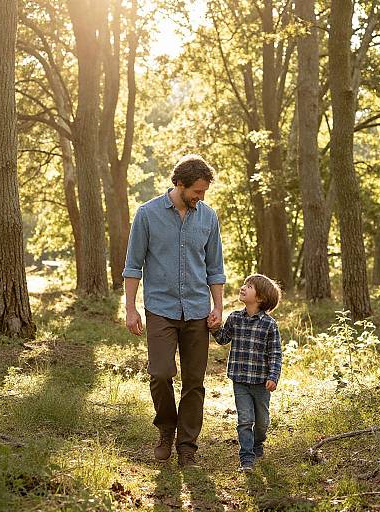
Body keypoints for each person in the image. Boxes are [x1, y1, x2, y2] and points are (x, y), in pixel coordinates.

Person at [122, 154, 226, 467]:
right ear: (178, 184)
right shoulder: (147, 214)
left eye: (204, 192)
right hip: (161, 309)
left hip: (197, 310)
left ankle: (187, 448)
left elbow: (215, 268)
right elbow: (132, 266)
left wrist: (218, 306)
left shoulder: (208, 217)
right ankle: (166, 430)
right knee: (160, 373)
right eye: (196, 191)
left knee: (194, 383)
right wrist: (130, 308)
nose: (200, 197)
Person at [209, 274, 282, 471]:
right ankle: (246, 459)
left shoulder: (269, 324)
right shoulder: (234, 318)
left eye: (249, 286)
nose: (243, 288)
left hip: (261, 383)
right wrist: (215, 328)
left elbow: (275, 354)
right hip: (240, 380)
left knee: (262, 423)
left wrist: (273, 377)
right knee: (245, 420)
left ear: (260, 298)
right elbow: (224, 339)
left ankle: (258, 443)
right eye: (244, 284)